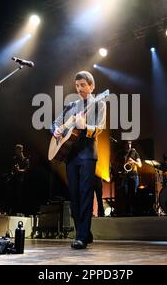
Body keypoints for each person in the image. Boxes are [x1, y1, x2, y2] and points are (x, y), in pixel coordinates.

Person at [52, 71, 106, 249]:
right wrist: (56, 130)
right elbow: (55, 122)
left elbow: (100, 128)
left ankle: (81, 236)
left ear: (92, 86)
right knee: (74, 195)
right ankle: (85, 232)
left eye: (83, 85)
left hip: (88, 155)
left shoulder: (99, 104)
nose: (80, 88)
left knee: (85, 194)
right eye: (77, 85)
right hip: (71, 156)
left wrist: (85, 127)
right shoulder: (71, 106)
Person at [121, 140, 142, 216]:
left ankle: (133, 211)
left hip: (133, 175)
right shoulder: (122, 154)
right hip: (125, 176)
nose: (128, 145)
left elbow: (140, 165)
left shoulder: (134, 153)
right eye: (127, 143)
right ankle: (127, 211)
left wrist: (133, 161)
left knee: (133, 194)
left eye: (130, 143)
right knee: (125, 194)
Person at [10, 144, 30, 215]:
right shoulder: (15, 159)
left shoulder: (26, 160)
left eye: (17, 150)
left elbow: (26, 170)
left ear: (21, 150)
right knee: (14, 196)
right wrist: (12, 172)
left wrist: (19, 170)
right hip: (15, 180)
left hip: (22, 181)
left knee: (20, 196)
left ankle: (20, 211)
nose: (16, 151)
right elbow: (12, 169)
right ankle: (14, 211)